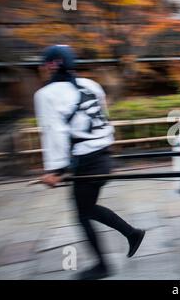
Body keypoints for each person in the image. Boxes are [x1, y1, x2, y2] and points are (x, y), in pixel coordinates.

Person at [34, 45, 146, 280]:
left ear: (52, 65)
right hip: (103, 156)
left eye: (44, 65)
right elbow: (103, 119)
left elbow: (53, 132)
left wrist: (55, 170)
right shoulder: (91, 84)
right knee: (87, 208)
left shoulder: (46, 95)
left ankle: (103, 265)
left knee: (83, 213)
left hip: (87, 161)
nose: (42, 69)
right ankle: (132, 234)